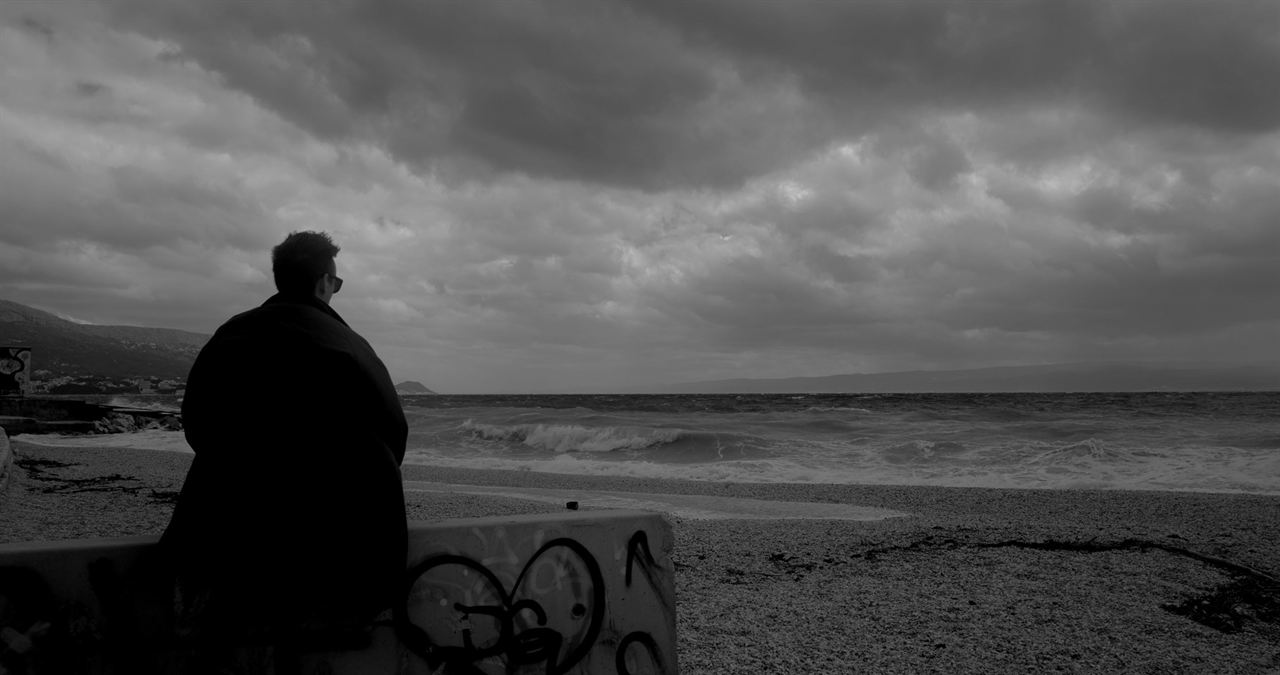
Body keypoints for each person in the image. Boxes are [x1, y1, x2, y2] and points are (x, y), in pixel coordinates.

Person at [161, 231, 408, 651]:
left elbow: (197, 423)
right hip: (339, 546)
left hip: (225, 531)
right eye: (338, 283)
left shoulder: (232, 334)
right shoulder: (350, 344)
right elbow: (393, 434)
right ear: (323, 282)